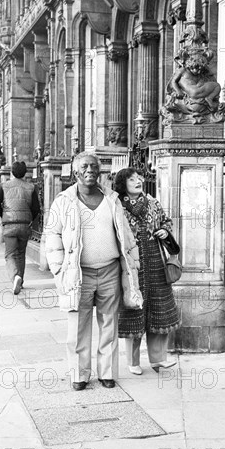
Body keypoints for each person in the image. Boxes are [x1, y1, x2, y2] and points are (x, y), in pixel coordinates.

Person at [45, 152, 142, 391]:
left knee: (109, 323)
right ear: (76, 173)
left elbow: (125, 234)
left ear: (99, 172)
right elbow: (52, 235)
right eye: (84, 167)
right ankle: (79, 374)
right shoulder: (64, 201)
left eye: (93, 166)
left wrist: (133, 263)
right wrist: (59, 269)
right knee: (78, 324)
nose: (89, 170)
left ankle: (107, 372)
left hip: (109, 270)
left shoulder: (112, 199)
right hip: (79, 273)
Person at [114, 168, 180, 375]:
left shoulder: (153, 203)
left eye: (138, 178)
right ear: (123, 184)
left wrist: (164, 231)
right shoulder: (117, 207)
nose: (138, 181)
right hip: (132, 264)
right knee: (135, 308)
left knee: (159, 308)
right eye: (131, 179)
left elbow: (166, 221)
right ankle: (133, 362)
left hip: (155, 261)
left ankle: (158, 359)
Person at [0, 161, 40, 295]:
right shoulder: (31, 187)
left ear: (12, 172)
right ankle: (21, 280)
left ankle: (15, 277)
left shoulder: (5, 186)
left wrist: (1, 216)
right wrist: (30, 219)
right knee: (21, 254)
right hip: (24, 225)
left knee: (10, 255)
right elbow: (36, 208)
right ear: (25, 172)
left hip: (9, 225)